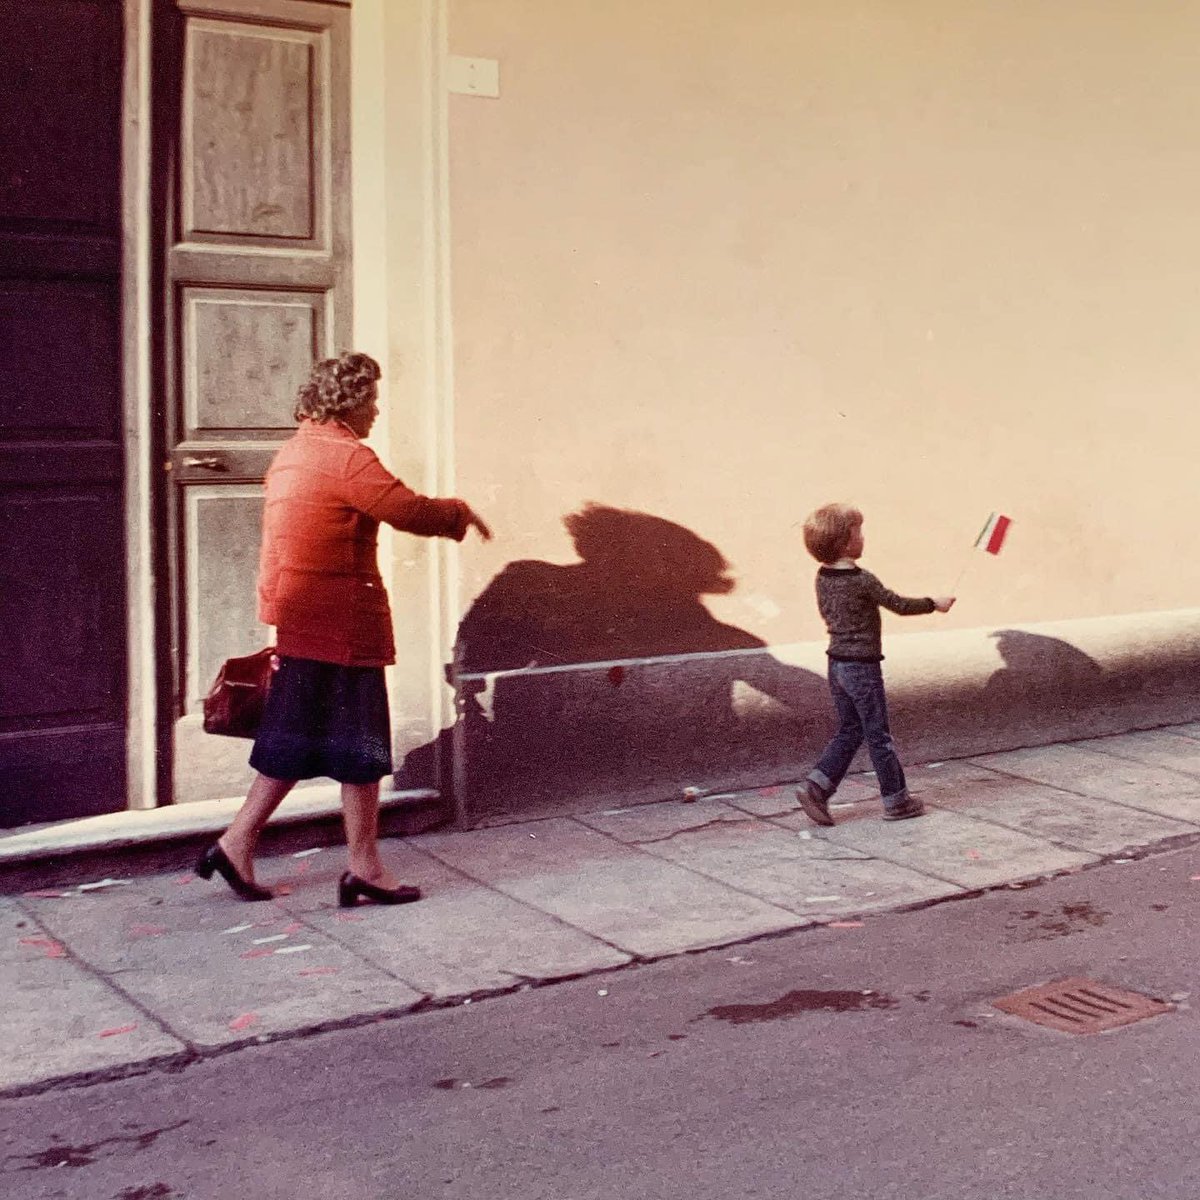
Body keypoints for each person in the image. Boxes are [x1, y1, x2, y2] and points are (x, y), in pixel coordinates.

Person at [195, 352, 491, 904]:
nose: (376, 411)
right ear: (349, 403)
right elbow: (405, 509)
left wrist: (277, 622)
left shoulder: (291, 456)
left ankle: (238, 844)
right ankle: (363, 867)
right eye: (371, 400)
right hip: (345, 630)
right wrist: (459, 514)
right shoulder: (346, 457)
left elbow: (272, 550)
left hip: (304, 625)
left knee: (290, 743)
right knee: (361, 750)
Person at [798, 503, 953, 826]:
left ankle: (817, 787)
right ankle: (897, 801)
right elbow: (897, 604)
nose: (863, 537)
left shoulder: (822, 577)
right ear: (845, 541)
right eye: (859, 531)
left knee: (850, 730)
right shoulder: (861, 580)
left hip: (836, 664)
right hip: (862, 668)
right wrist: (933, 604)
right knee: (878, 736)